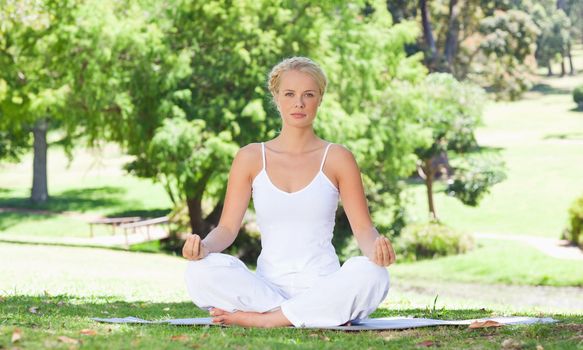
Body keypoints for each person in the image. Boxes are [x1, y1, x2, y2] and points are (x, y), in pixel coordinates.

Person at [182, 56, 396, 328]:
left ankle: (267, 320)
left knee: (373, 275)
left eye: (309, 94)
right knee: (199, 271)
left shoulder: (338, 157)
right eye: (290, 94)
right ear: (276, 97)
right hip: (265, 289)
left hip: (324, 284)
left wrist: (377, 252)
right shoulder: (250, 157)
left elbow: (364, 230)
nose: (299, 103)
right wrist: (204, 248)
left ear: (320, 98)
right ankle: (304, 315)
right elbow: (226, 228)